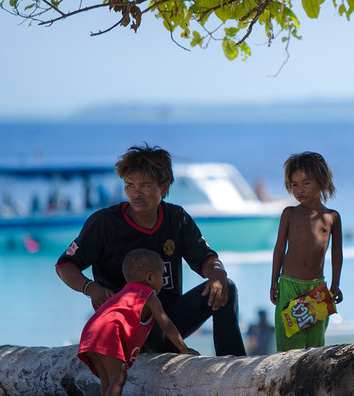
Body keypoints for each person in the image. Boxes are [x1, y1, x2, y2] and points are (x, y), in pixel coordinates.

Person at [56, 144, 246, 356]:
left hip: (169, 322)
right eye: (129, 185)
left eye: (145, 185)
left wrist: (218, 275)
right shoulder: (104, 223)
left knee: (226, 286)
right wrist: (90, 288)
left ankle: (232, 364)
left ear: (164, 187)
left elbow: (207, 259)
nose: (135, 193)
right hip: (124, 325)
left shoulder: (177, 218)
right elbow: (65, 265)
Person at [78, 249, 199, 396]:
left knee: (107, 380)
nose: (162, 282)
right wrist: (183, 348)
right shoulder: (148, 295)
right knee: (118, 378)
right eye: (161, 276)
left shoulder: (125, 293)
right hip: (107, 334)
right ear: (150, 278)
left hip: (90, 332)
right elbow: (166, 324)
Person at [270, 152, 343, 351]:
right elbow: (279, 248)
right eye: (294, 184)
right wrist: (273, 281)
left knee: (315, 346)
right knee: (288, 346)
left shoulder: (332, 217)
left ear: (322, 183)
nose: (299, 190)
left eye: (306, 183)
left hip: (317, 290)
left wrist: (335, 284)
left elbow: (337, 254)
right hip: (289, 286)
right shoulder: (289, 214)